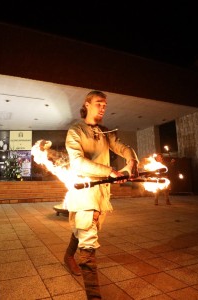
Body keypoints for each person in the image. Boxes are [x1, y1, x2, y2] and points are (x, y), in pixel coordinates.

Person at [64, 90, 139, 299]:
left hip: (101, 192)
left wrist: (132, 160)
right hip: (84, 190)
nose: (103, 107)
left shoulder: (106, 132)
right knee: (88, 242)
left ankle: (68, 256)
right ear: (87, 104)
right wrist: (110, 171)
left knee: (86, 228)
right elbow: (77, 162)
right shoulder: (75, 131)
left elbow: (121, 147)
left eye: (105, 104)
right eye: (98, 103)